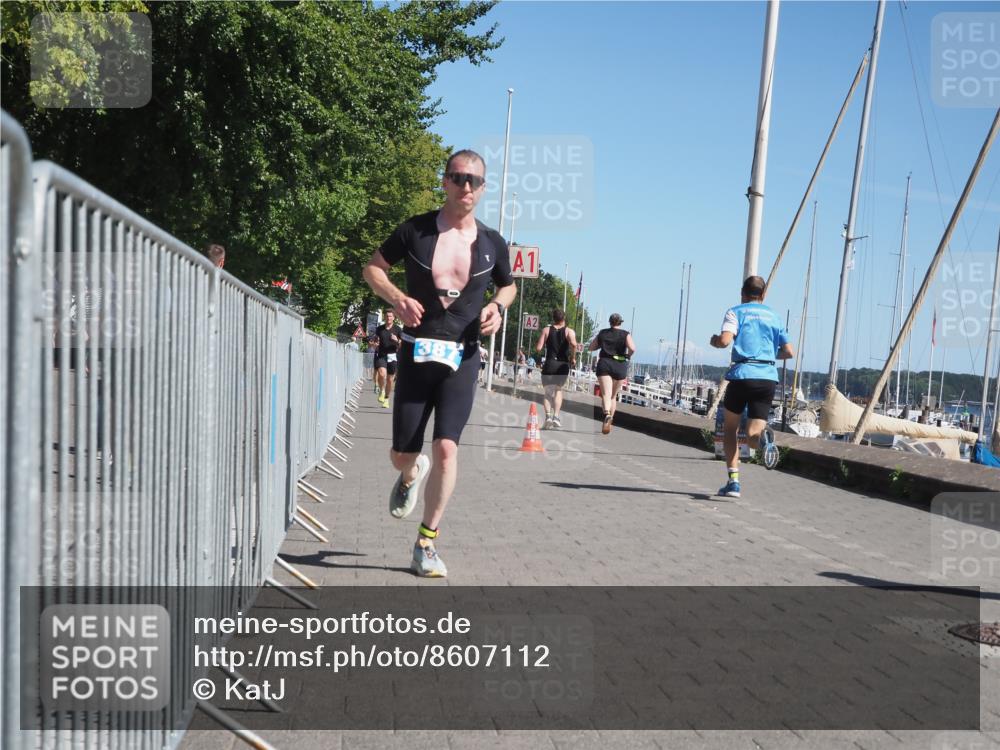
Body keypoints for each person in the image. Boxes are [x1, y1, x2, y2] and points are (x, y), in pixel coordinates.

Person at [362, 149, 517, 577]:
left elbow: (508, 288)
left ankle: (425, 544)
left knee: (447, 447)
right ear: (445, 181)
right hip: (414, 353)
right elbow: (372, 269)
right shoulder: (415, 231)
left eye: (474, 181)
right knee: (400, 455)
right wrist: (397, 297)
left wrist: (498, 308)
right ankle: (411, 473)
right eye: (457, 177)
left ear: (483, 189)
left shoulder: (492, 243)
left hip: (462, 357)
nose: (465, 186)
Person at [710, 275, 794, 497]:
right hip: (767, 377)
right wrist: (767, 354)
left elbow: (726, 340)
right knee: (752, 435)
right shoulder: (775, 317)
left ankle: (734, 481)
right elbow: (789, 352)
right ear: (763, 294)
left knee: (730, 428)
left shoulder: (735, 312)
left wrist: (715, 341)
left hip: (742, 374)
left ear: (742, 292)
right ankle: (765, 441)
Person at [590, 313, 635, 434]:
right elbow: (633, 348)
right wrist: (627, 356)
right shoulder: (626, 334)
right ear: (620, 322)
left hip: (605, 363)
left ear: (610, 322)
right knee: (613, 396)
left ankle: (607, 414)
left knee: (605, 394)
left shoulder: (603, 333)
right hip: (620, 365)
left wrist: (601, 344)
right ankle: (611, 419)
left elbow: (591, 347)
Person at [535, 308, 578, 429]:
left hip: (549, 364)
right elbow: (574, 344)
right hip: (562, 365)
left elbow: (538, 348)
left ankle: (548, 416)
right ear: (564, 318)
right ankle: (556, 416)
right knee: (558, 390)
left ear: (553, 318)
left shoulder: (546, 330)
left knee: (548, 393)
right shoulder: (569, 331)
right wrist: (573, 357)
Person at [372, 310, 402, 408]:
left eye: (390, 316)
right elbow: (375, 341)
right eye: (387, 316)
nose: (388, 318)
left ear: (394, 318)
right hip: (382, 355)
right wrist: (374, 344)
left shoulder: (398, 329)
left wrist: (396, 340)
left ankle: (386, 398)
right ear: (385, 317)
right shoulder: (379, 329)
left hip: (393, 356)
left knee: (390, 379)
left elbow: (402, 344)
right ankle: (382, 390)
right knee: (382, 374)